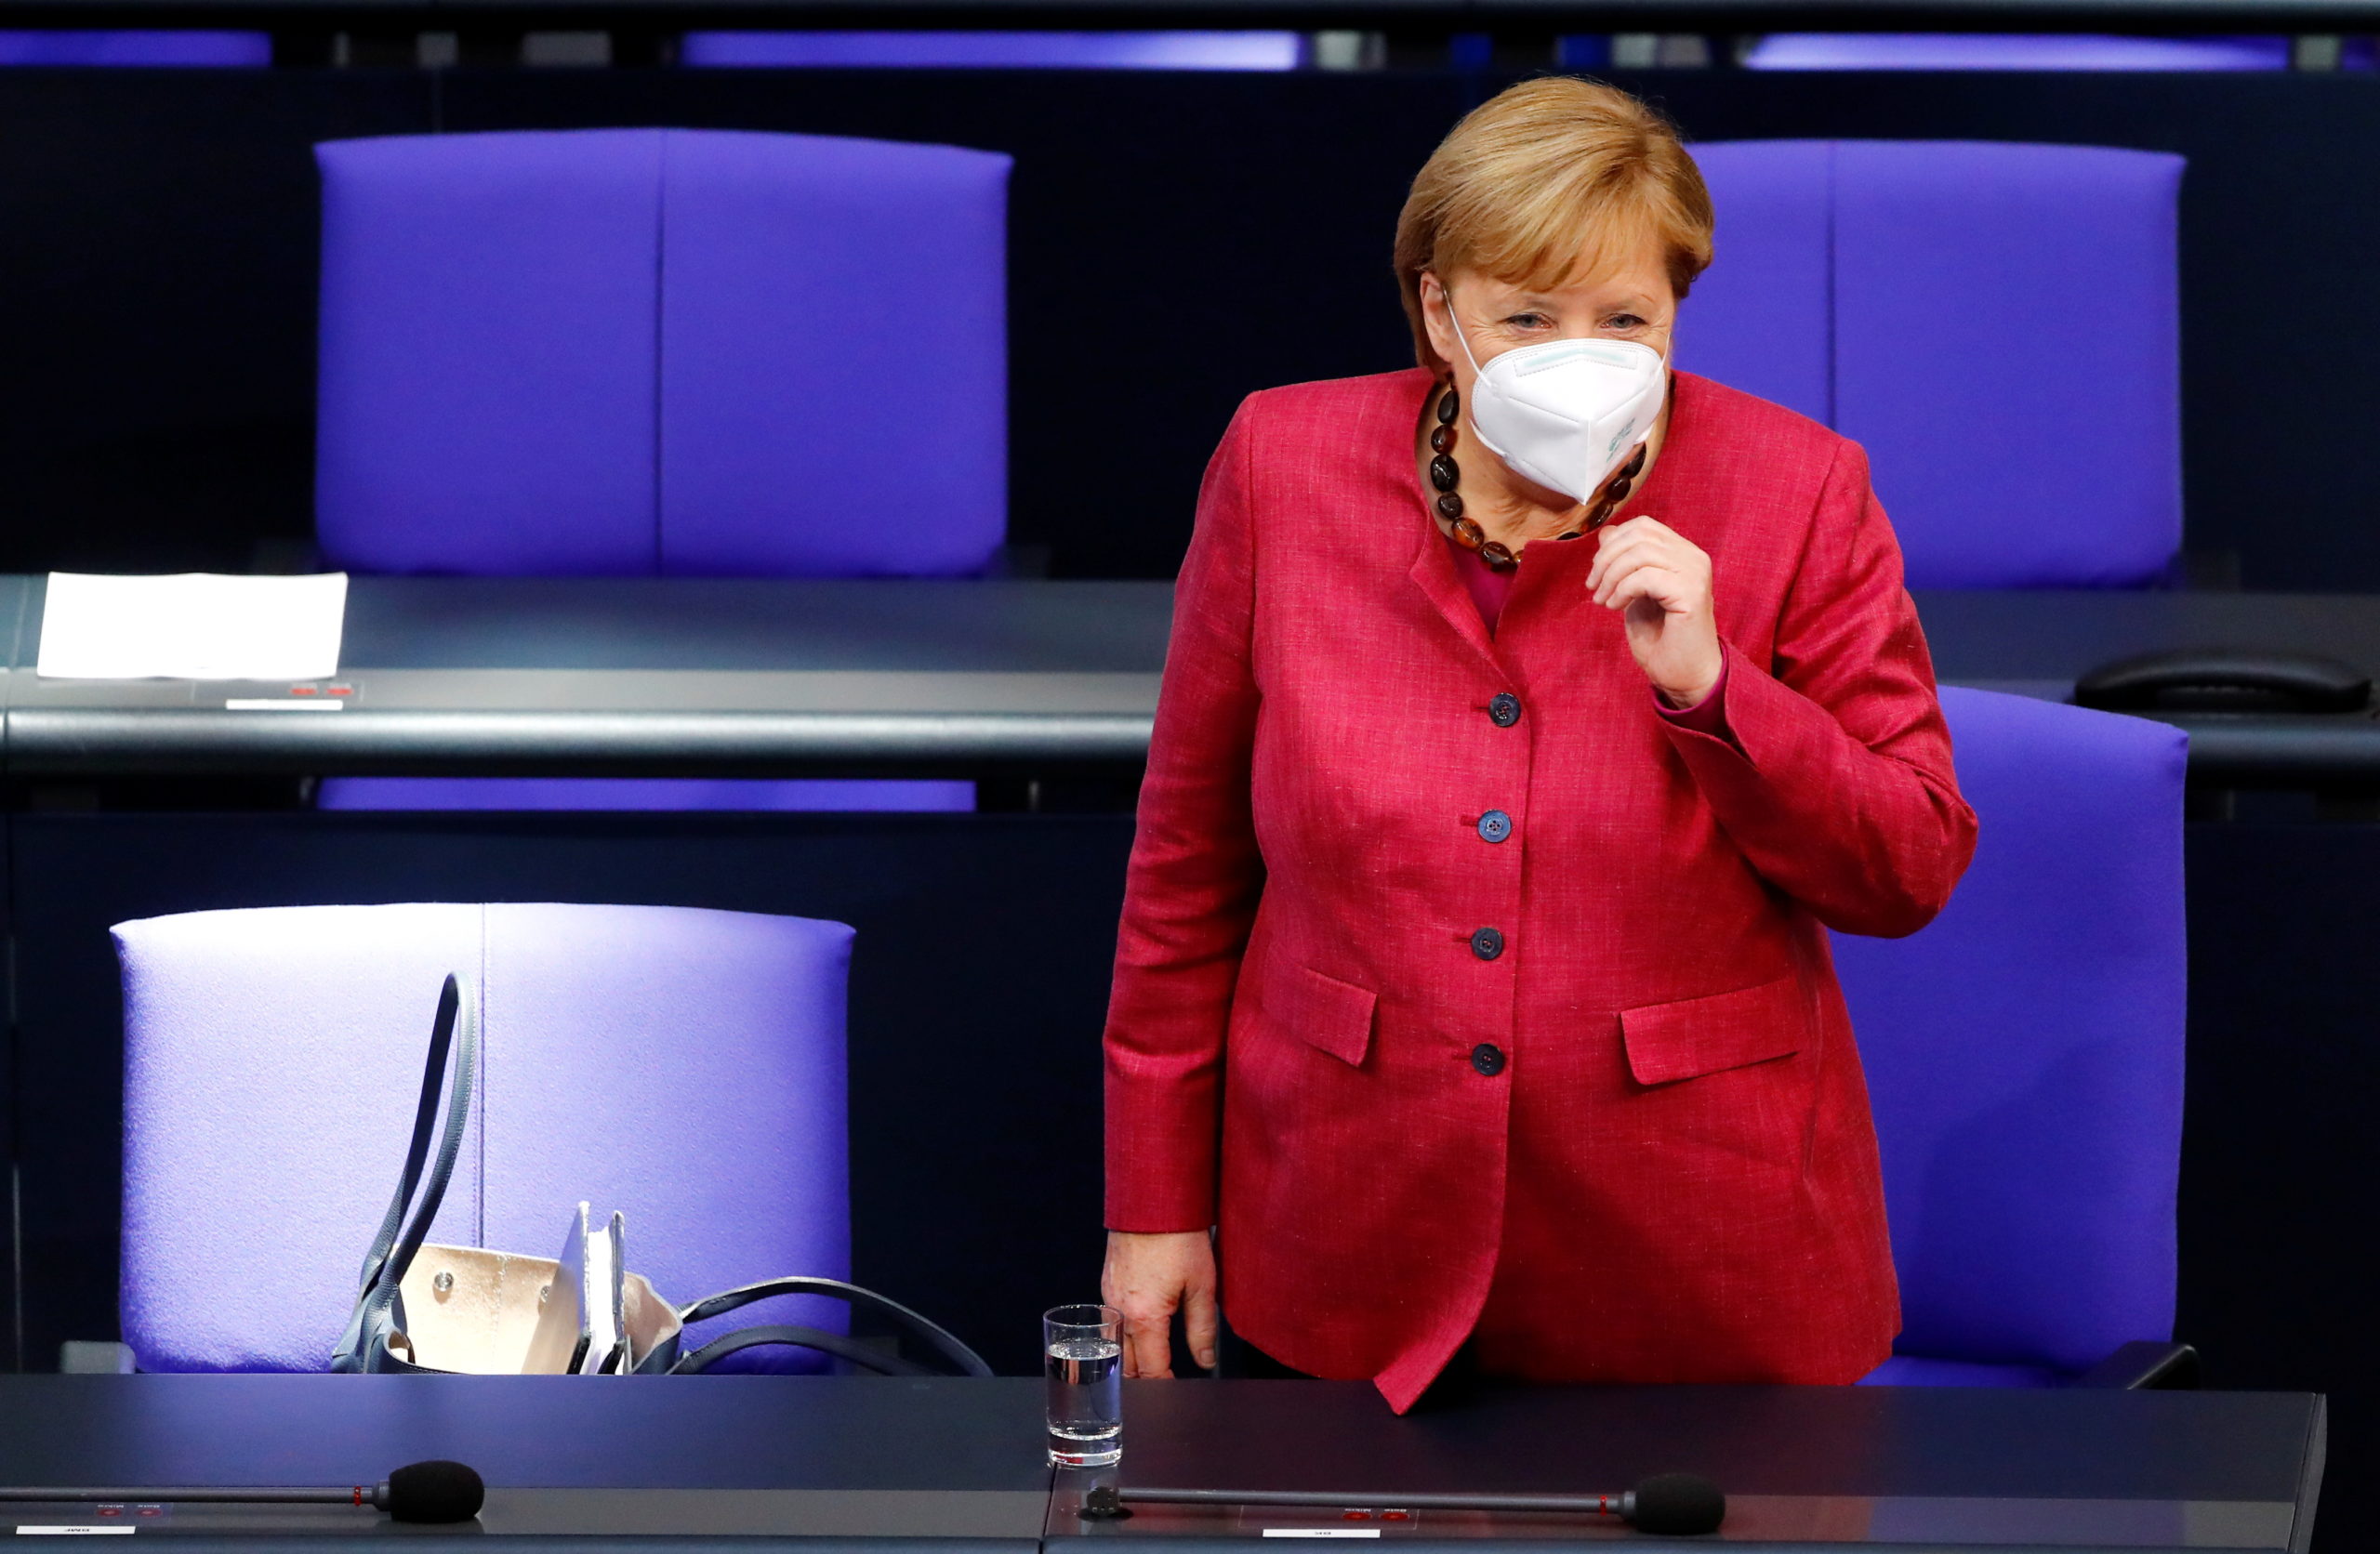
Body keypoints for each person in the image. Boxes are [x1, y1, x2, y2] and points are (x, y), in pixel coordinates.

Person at [1098, 76, 1979, 1412]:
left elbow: (1907, 865)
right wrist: (1153, 1204)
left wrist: (1713, 687)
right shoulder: (1284, 461)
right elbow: (1188, 864)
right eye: (1527, 317)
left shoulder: (1800, 490)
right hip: (1348, 1223)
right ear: (1438, 308)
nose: (1584, 355)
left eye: (1625, 318)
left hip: (1699, 1257)